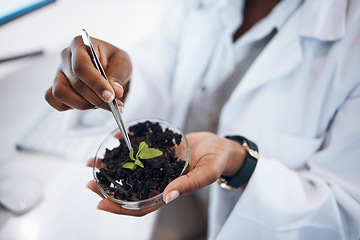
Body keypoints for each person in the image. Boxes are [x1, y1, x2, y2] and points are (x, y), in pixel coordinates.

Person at [45, 0, 360, 239]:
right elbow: (163, 64)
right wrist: (119, 84)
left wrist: (239, 163)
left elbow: (347, 214)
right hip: (177, 209)